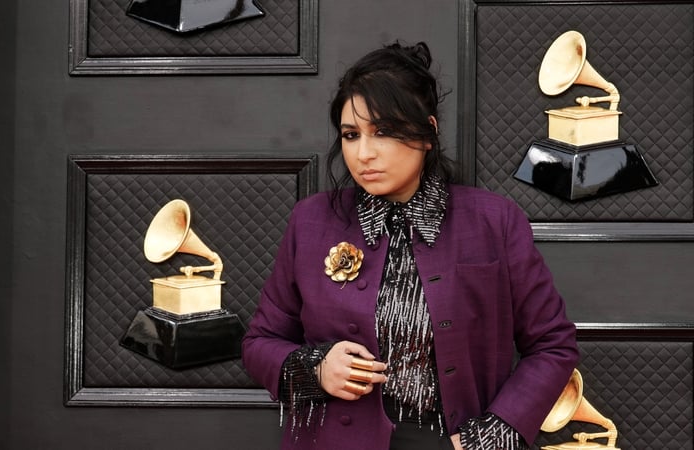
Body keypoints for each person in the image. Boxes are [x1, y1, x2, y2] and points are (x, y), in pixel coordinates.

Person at [241, 41, 579, 450]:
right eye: (351, 135)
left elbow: (552, 344)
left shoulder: (494, 221)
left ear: (428, 134)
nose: (364, 153)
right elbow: (259, 343)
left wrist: (488, 438)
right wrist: (315, 370)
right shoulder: (311, 221)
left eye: (384, 131)